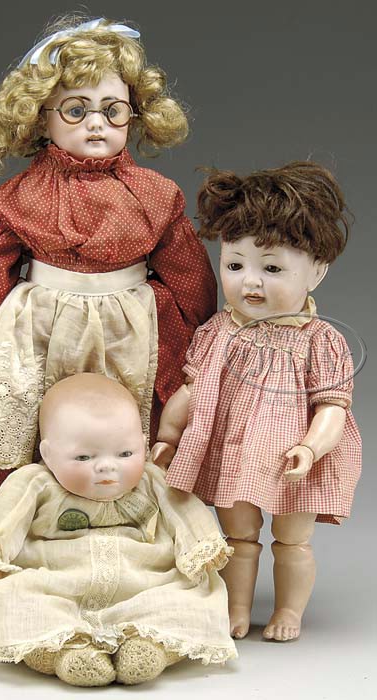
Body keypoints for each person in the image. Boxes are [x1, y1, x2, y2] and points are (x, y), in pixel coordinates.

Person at [0, 16, 216, 504]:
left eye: (113, 110)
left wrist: (200, 345)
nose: (96, 123)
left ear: (135, 115)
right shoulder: (22, 195)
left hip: (131, 326)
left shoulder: (155, 194)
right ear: (41, 118)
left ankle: (129, 512)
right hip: (42, 326)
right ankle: (34, 513)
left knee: (131, 416)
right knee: (34, 413)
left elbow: (188, 274)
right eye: (76, 110)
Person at [151, 162, 362, 641]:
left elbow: (333, 407)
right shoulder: (218, 331)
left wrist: (311, 447)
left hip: (294, 460)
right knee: (238, 537)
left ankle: (288, 610)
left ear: (317, 272)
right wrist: (168, 437)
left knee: (292, 539)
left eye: (271, 268)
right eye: (235, 265)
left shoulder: (320, 340)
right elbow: (191, 391)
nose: (250, 282)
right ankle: (237, 608)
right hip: (234, 453)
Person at [0, 374, 237, 687]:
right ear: (48, 454)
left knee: (190, 599)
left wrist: (201, 545)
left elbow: (184, 511)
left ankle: (150, 646)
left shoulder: (152, 480)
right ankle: (64, 653)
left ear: (143, 444)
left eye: (125, 454)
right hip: (55, 582)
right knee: (15, 599)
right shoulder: (36, 483)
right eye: (83, 457)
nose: (106, 466)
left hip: (146, 581)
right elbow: (5, 518)